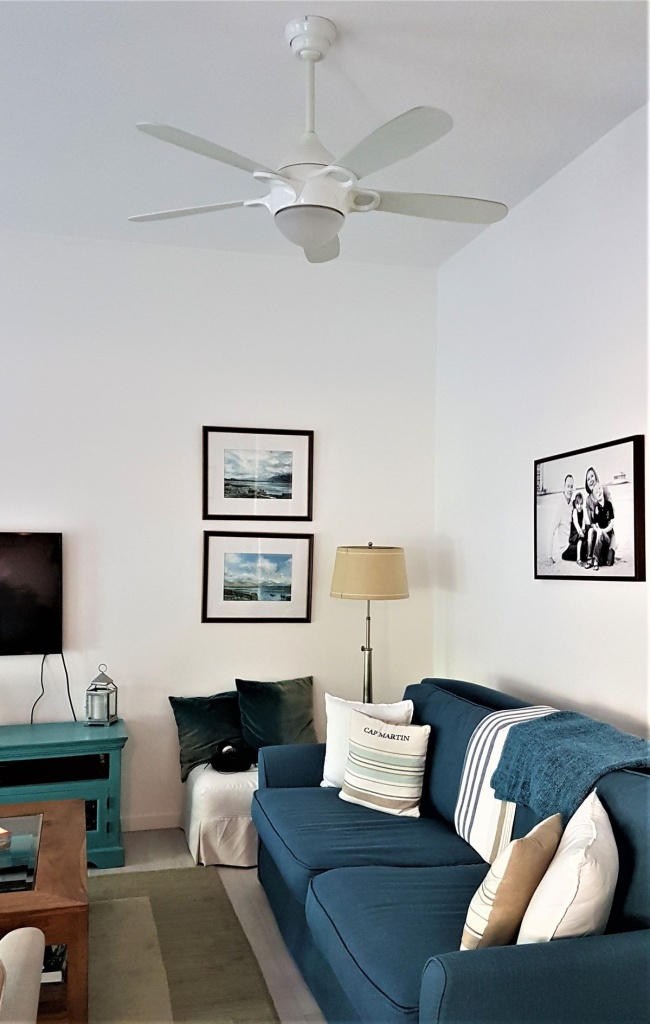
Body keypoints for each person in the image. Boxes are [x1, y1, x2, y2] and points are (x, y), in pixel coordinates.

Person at [584, 466, 617, 565]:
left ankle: (612, 547)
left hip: (608, 532)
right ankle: (592, 556)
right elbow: (591, 523)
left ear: (596, 476)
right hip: (597, 533)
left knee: (609, 561)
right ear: (586, 483)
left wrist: (604, 531)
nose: (590, 480)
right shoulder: (588, 500)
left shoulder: (604, 490)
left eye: (592, 476)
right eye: (588, 479)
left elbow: (612, 513)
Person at [546, 474, 576, 565]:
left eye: (571, 487)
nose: (570, 489)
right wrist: (549, 557)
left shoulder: (571, 504)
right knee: (584, 548)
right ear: (564, 487)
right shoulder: (560, 506)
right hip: (565, 550)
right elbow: (551, 531)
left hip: (572, 542)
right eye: (568, 486)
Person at [571, 491, 590, 567]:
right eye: (578, 504)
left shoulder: (583, 510)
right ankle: (578, 559)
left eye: (581, 504)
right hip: (575, 531)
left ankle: (588, 555)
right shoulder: (575, 511)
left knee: (587, 536)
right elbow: (575, 522)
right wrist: (580, 531)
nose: (579, 506)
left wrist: (583, 529)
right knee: (580, 539)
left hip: (581, 529)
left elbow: (584, 521)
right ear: (575, 504)